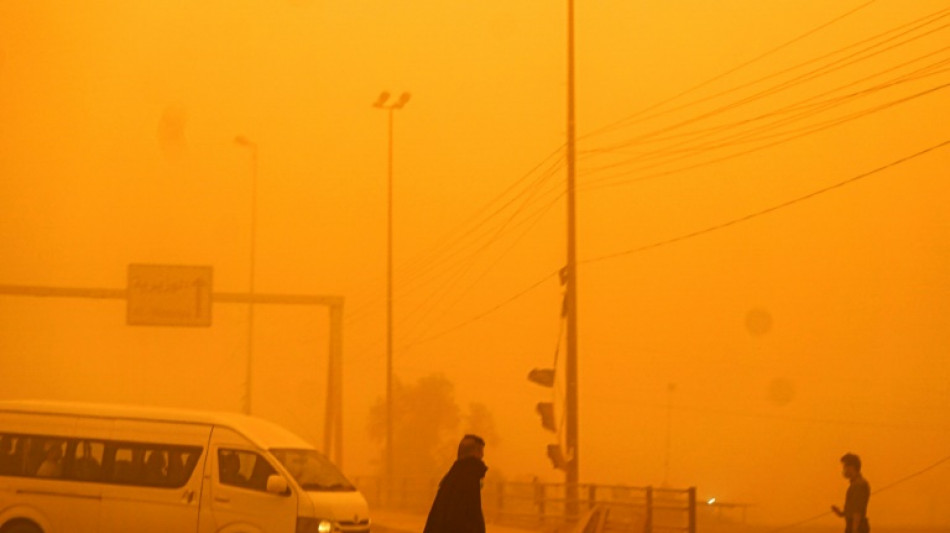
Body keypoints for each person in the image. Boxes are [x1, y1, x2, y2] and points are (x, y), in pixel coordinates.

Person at [423, 434, 488, 533]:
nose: (482, 456)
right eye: (480, 452)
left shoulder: (450, 479)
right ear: (475, 453)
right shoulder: (469, 478)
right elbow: (469, 518)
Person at [831, 453, 870, 533]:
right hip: (853, 526)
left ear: (851, 467)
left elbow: (857, 511)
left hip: (857, 527)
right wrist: (839, 513)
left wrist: (854, 530)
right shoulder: (855, 484)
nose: (843, 470)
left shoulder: (859, 485)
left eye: (845, 467)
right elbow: (851, 510)